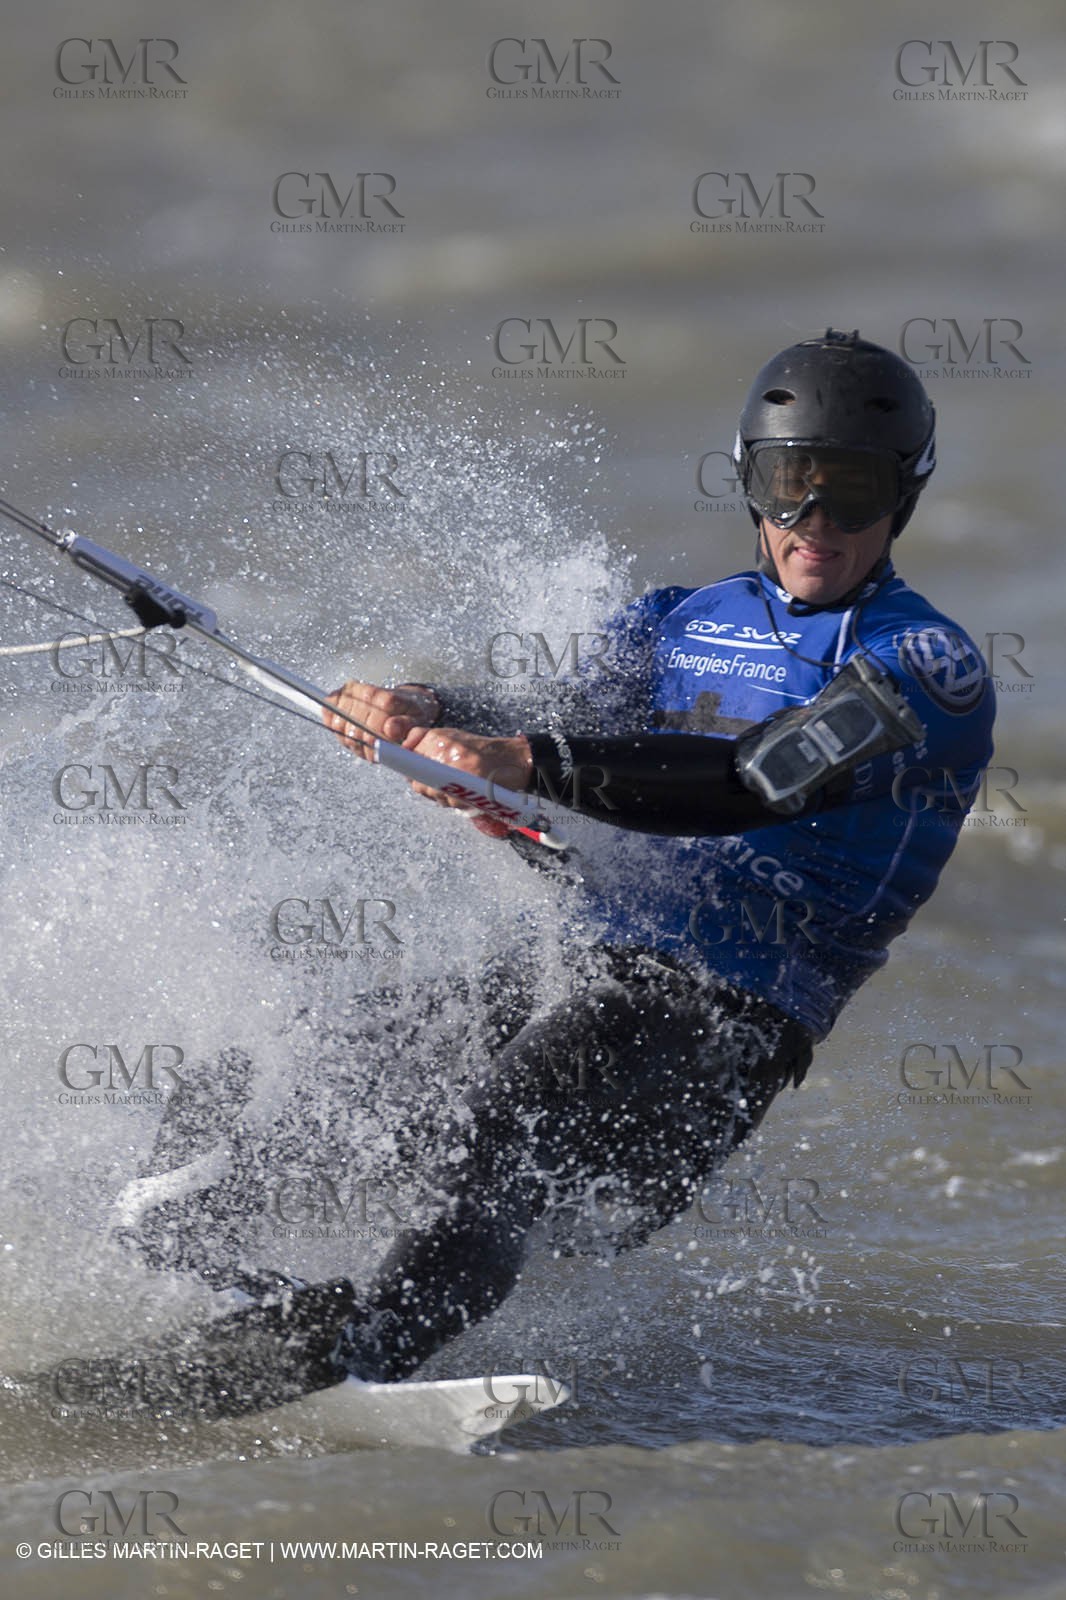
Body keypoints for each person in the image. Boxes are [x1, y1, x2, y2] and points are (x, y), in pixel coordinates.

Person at [114, 329, 995, 1417]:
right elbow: (561, 727)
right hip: (573, 973)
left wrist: (528, 763)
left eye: (848, 494)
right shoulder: (676, 619)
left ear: (902, 495)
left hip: (715, 1034)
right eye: (786, 487)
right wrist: (426, 709)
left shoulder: (926, 664)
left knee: (497, 1120)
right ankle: (202, 1285)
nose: (813, 524)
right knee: (323, 1068)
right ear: (749, 482)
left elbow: (761, 780)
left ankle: (360, 1367)